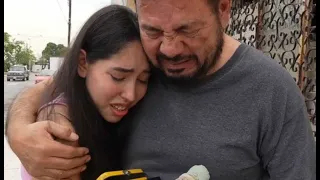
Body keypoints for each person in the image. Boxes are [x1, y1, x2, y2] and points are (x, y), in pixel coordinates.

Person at [6, 0, 316, 179]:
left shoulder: (271, 90)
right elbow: (61, 84)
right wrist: (18, 130)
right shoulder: (141, 62)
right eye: (152, 30)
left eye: (186, 29)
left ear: (223, 10)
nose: (169, 49)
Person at [12, 4, 150, 180]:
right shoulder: (61, 133)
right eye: (118, 77)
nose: (131, 95)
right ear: (83, 63)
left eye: (143, 80)